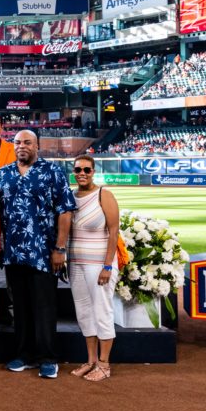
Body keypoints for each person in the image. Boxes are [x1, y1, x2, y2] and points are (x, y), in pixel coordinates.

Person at [0, 130, 75, 379]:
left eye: (27, 142)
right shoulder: (3, 175)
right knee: (21, 306)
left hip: (43, 252)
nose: (22, 146)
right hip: (14, 254)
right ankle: (23, 354)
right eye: (17, 142)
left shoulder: (52, 172)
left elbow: (65, 211)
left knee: (44, 306)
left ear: (37, 145)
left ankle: (47, 357)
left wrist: (60, 248)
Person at [68, 155, 120, 382]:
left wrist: (108, 265)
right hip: (76, 263)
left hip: (99, 263)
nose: (82, 173)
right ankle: (90, 361)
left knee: (102, 311)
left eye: (86, 170)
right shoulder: (70, 196)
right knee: (84, 312)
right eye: (78, 169)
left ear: (93, 171)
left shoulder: (104, 195)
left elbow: (114, 231)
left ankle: (104, 364)